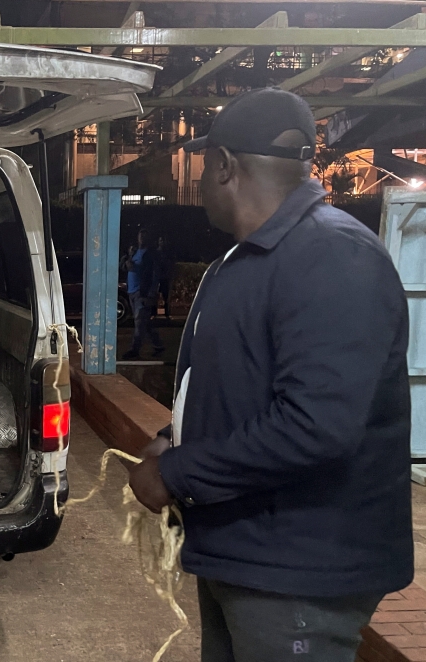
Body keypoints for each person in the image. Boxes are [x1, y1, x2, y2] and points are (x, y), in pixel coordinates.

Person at [128, 88, 413, 662]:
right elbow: (234, 386)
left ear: (225, 166)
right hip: (251, 551)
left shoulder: (333, 256)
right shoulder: (247, 260)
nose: (203, 181)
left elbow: (316, 426)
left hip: (299, 569)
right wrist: (168, 441)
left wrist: (178, 473)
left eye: (205, 166)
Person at [122, 228, 164, 360]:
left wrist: (151, 293)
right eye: (140, 236)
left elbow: (155, 274)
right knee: (144, 322)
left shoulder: (151, 255)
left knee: (139, 321)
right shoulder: (134, 252)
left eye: (144, 237)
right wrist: (127, 262)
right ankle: (158, 345)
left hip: (142, 292)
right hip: (132, 291)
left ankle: (135, 349)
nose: (142, 239)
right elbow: (124, 266)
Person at [156, 236, 173, 320]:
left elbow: (170, 264)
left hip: (165, 277)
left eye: (163, 240)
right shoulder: (156, 253)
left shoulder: (168, 253)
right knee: (155, 296)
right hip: (158, 277)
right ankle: (153, 314)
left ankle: (167, 314)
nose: (162, 242)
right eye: (160, 240)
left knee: (166, 297)